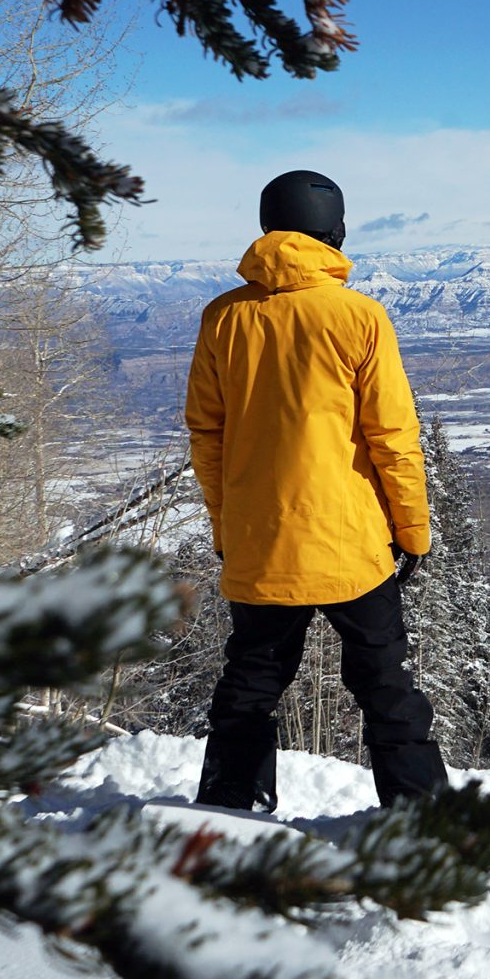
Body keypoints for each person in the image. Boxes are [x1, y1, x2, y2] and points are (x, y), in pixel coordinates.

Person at [184, 170, 446, 813]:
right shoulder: (359, 316)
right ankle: (423, 825)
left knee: (251, 679)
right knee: (386, 685)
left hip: (260, 543)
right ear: (335, 231)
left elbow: (207, 436)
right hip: (348, 543)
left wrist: (229, 530)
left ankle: (226, 809)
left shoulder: (224, 317)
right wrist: (412, 531)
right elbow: (392, 437)